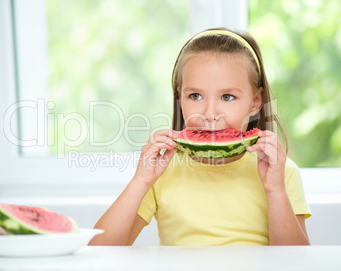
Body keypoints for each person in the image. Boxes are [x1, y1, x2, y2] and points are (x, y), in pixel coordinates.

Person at [89, 28, 311, 246]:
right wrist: (141, 181)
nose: (210, 113)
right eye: (195, 96)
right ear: (179, 98)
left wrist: (275, 190)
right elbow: (100, 251)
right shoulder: (163, 172)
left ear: (255, 102)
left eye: (227, 96)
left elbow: (297, 263)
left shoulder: (281, 173)